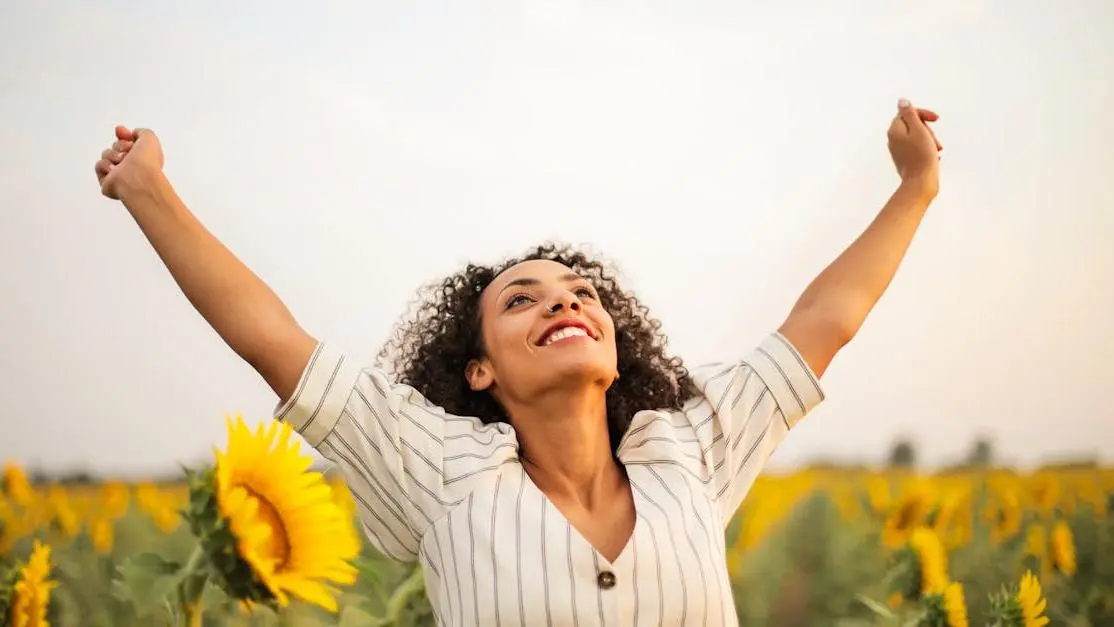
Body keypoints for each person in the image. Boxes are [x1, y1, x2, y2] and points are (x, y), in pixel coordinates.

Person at [93, 98, 942, 627]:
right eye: (521, 300)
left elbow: (826, 320)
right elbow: (272, 340)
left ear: (616, 349)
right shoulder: (440, 471)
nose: (564, 302)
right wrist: (149, 189)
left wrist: (914, 189)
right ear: (479, 371)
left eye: (580, 293)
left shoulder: (689, 450)